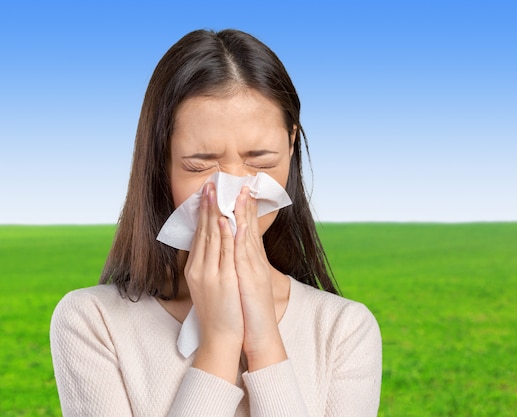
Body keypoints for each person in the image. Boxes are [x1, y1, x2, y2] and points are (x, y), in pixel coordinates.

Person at [50, 28, 382, 416]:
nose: (233, 194)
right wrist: (219, 345)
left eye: (260, 162)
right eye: (200, 164)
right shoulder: (92, 322)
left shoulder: (342, 330)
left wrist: (263, 343)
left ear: (291, 146)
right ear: (161, 159)